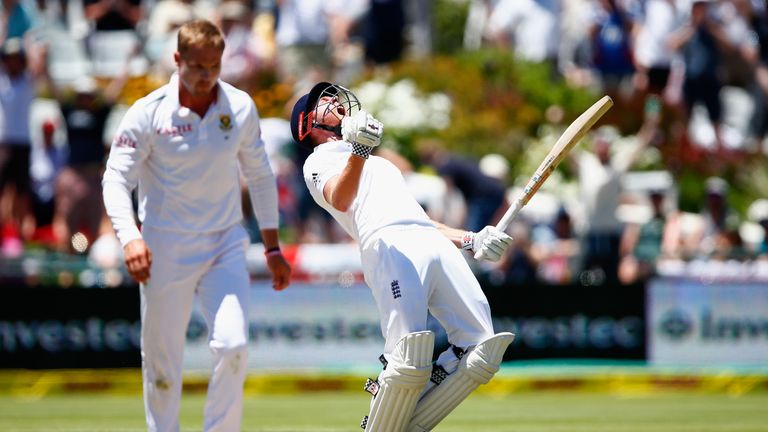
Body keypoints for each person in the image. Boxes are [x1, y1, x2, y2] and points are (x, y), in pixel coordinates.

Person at [101, 19, 291, 432]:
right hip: (163, 246)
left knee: (233, 344)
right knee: (163, 366)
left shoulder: (239, 107)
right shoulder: (148, 113)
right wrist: (131, 238)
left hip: (224, 242)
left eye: (214, 66)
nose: (206, 76)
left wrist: (272, 248)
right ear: (177, 60)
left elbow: (259, 176)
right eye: (197, 66)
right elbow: (115, 179)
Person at [291, 81, 514, 431]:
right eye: (322, 101)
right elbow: (340, 199)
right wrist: (360, 152)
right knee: (408, 359)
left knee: (483, 349)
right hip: (388, 245)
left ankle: (398, 423)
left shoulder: (379, 162)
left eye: (332, 95)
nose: (334, 100)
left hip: (427, 239)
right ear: (306, 124)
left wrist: (471, 238)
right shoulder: (317, 162)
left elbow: (419, 220)